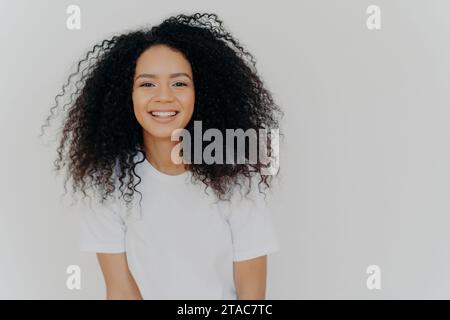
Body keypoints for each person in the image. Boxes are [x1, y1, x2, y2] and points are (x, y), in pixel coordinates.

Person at [42, 12, 282, 299]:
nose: (164, 97)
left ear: (201, 92)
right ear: (125, 95)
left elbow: (252, 297)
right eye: (147, 84)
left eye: (179, 83)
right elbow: (119, 290)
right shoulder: (107, 181)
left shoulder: (237, 177)